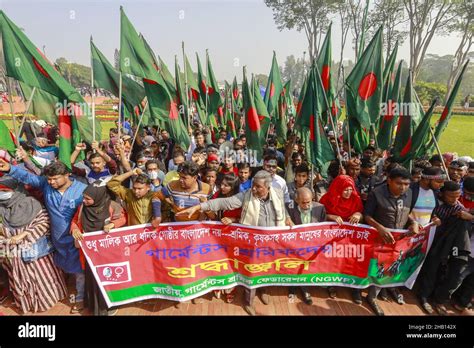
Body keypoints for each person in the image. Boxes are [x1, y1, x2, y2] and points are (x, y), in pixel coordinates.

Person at [176, 170, 292, 315]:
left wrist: (287, 217)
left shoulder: (278, 192)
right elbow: (224, 202)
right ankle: (249, 301)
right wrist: (199, 207)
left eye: (258, 187)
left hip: (271, 241)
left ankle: (263, 290)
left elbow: (282, 208)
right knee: (252, 270)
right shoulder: (246, 195)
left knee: (267, 267)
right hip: (251, 241)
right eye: (253, 185)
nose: (254, 189)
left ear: (268, 188)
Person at [0, 160, 86, 312]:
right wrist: (10, 169)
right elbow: (28, 177)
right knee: (63, 265)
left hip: (77, 237)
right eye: (49, 179)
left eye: (55, 178)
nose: (52, 182)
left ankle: (80, 298)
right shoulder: (46, 186)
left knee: (80, 270)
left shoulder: (82, 190)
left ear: (68, 175)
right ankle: (65, 290)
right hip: (57, 238)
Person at [0, 176, 67, 313]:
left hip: (36, 251)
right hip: (14, 252)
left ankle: (46, 300)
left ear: (16, 190)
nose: (2, 194)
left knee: (42, 278)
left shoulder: (31, 203)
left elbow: (44, 221)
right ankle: (28, 303)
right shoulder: (2, 208)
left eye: (5, 190)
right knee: (21, 280)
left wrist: (23, 235)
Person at [364, 167, 419, 316]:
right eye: (399, 183)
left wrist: (413, 222)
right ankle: (369, 295)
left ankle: (381, 291)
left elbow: (407, 213)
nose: (403, 187)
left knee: (391, 266)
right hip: (377, 239)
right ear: (389, 181)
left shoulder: (410, 193)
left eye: (407, 184)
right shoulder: (376, 193)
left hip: (398, 240)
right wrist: (380, 228)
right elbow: (367, 215)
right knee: (375, 267)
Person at [417, 181, 473, 315]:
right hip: (425, 240)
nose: (455, 200)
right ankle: (422, 295)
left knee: (436, 271)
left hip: (443, 245)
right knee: (425, 269)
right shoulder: (433, 200)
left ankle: (429, 297)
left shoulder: (459, 209)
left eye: (458, 196)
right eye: (451, 196)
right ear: (442, 194)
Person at [70, 182, 126, 315]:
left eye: (88, 198)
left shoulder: (112, 206)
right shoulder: (82, 207)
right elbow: (74, 221)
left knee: (108, 277)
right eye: (84, 197)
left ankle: (110, 304)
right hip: (90, 253)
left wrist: (113, 224)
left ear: (99, 196)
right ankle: (93, 305)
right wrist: (75, 229)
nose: (84, 200)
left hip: (108, 253)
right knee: (93, 279)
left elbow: (123, 218)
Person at [319, 175, 364, 302]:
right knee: (332, 260)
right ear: (338, 188)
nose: (349, 193)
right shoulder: (327, 199)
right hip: (331, 238)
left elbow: (363, 215)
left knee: (353, 261)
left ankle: (355, 289)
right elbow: (318, 215)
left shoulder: (356, 200)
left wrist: (358, 214)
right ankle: (331, 284)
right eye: (345, 190)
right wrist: (330, 217)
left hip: (350, 239)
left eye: (351, 189)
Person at [286, 187, 326, 305]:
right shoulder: (289, 207)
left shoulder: (320, 208)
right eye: (303, 202)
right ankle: (293, 287)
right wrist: (286, 219)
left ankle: (304, 289)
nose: (307, 205)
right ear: (296, 200)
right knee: (294, 266)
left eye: (309, 202)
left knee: (306, 268)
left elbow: (323, 227)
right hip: (294, 245)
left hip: (312, 246)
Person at [208, 174, 241, 303]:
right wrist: (205, 207)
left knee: (231, 262)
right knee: (216, 260)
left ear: (233, 187)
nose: (222, 187)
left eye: (226, 185)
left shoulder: (240, 199)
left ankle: (229, 288)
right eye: (221, 184)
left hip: (234, 235)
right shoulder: (216, 196)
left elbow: (245, 218)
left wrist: (233, 220)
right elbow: (212, 216)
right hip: (217, 235)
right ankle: (217, 285)